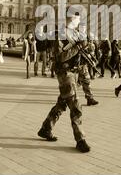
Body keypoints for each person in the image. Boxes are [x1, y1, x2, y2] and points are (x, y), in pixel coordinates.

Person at [37, 12, 91, 153]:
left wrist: (86, 47)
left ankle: (46, 128)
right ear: (73, 18)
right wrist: (78, 47)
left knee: (62, 103)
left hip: (74, 72)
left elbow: (79, 52)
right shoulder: (59, 34)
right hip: (65, 73)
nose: (80, 21)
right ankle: (80, 139)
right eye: (78, 19)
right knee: (75, 106)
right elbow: (61, 57)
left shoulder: (75, 33)